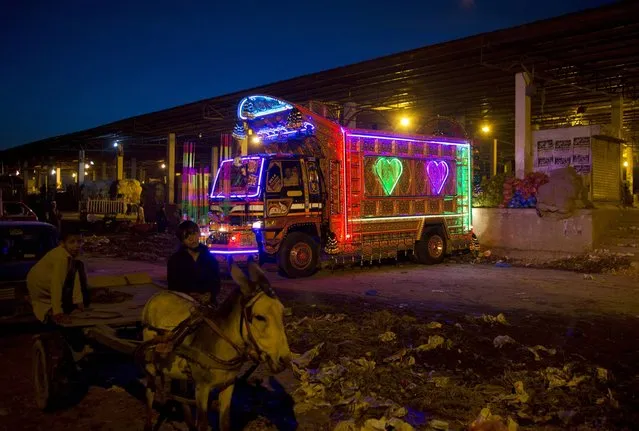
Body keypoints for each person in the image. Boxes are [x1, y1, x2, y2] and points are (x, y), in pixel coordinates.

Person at [26, 228, 90, 325]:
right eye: (72, 242)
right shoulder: (61, 258)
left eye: (79, 241)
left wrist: (78, 300)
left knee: (79, 266)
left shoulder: (69, 254)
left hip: (44, 285)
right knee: (61, 289)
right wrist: (58, 312)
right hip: (39, 287)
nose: (76, 245)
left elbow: (75, 277)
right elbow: (56, 285)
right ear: (62, 244)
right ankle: (54, 308)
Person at [167, 220, 221, 305]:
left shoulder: (209, 257)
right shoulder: (175, 260)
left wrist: (210, 294)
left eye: (194, 233)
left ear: (199, 233)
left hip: (207, 303)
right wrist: (189, 295)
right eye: (186, 237)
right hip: (184, 304)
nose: (191, 239)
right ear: (181, 241)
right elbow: (172, 286)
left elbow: (216, 281)